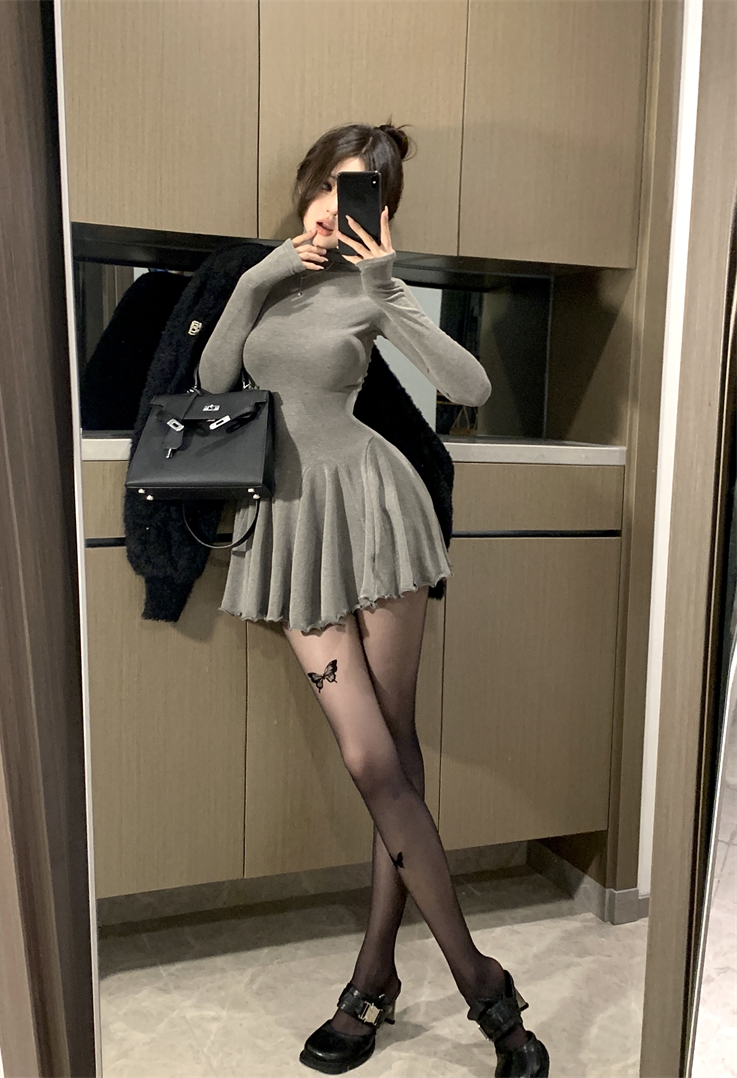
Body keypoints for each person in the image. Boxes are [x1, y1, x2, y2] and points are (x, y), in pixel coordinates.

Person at [197, 122, 550, 1078]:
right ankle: (480, 979)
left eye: (361, 194)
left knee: (393, 749)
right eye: (329, 185)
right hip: (291, 532)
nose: (335, 207)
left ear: (382, 211)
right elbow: (213, 382)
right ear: (308, 185)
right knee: (370, 757)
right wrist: (258, 277)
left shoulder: (371, 287)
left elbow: (470, 384)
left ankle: (377, 981)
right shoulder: (265, 279)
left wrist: (390, 288)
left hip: (378, 511)